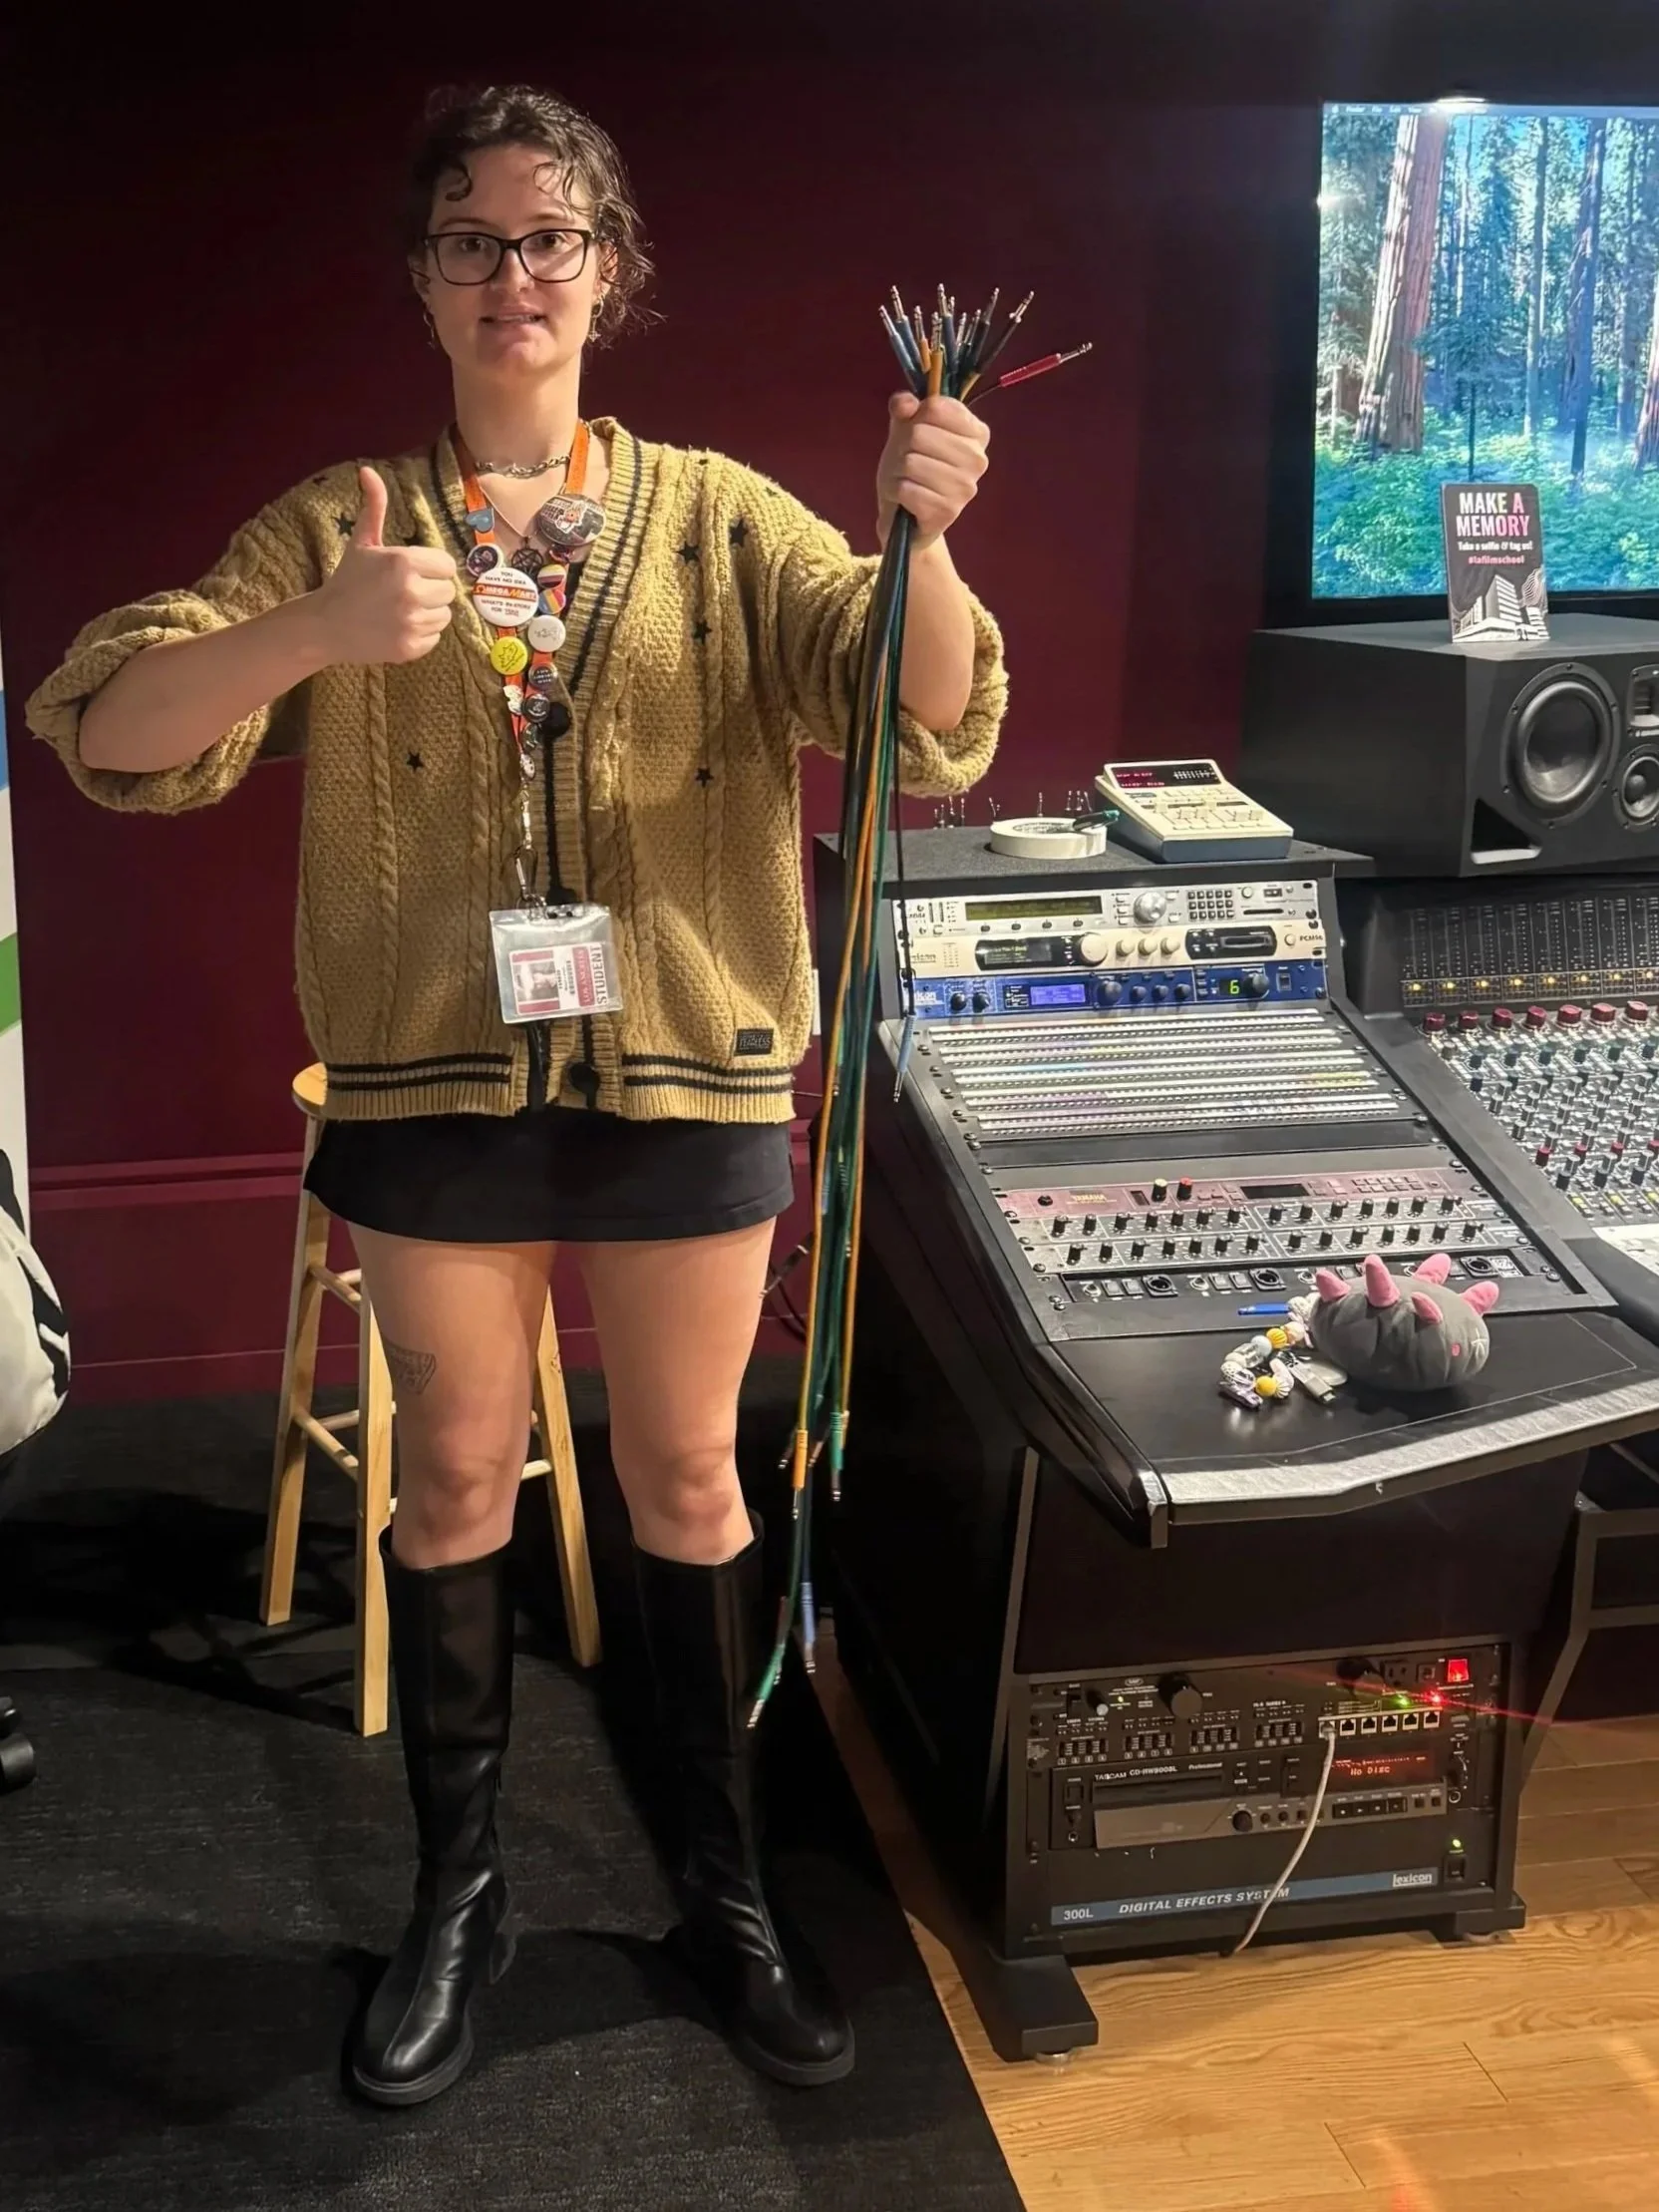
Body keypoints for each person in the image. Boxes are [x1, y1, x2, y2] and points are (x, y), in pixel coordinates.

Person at [26, 83, 1006, 2104]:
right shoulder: (346, 518)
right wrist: (308, 629)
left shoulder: (727, 516)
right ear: (421, 276)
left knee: (688, 1485)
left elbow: (916, 712)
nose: (509, 273)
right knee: (456, 1478)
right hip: (428, 1080)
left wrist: (924, 530)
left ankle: (722, 1887)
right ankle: (457, 1895)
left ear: (610, 272)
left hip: (693, 1072)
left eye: (548, 235)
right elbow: (111, 726)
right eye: (467, 238)